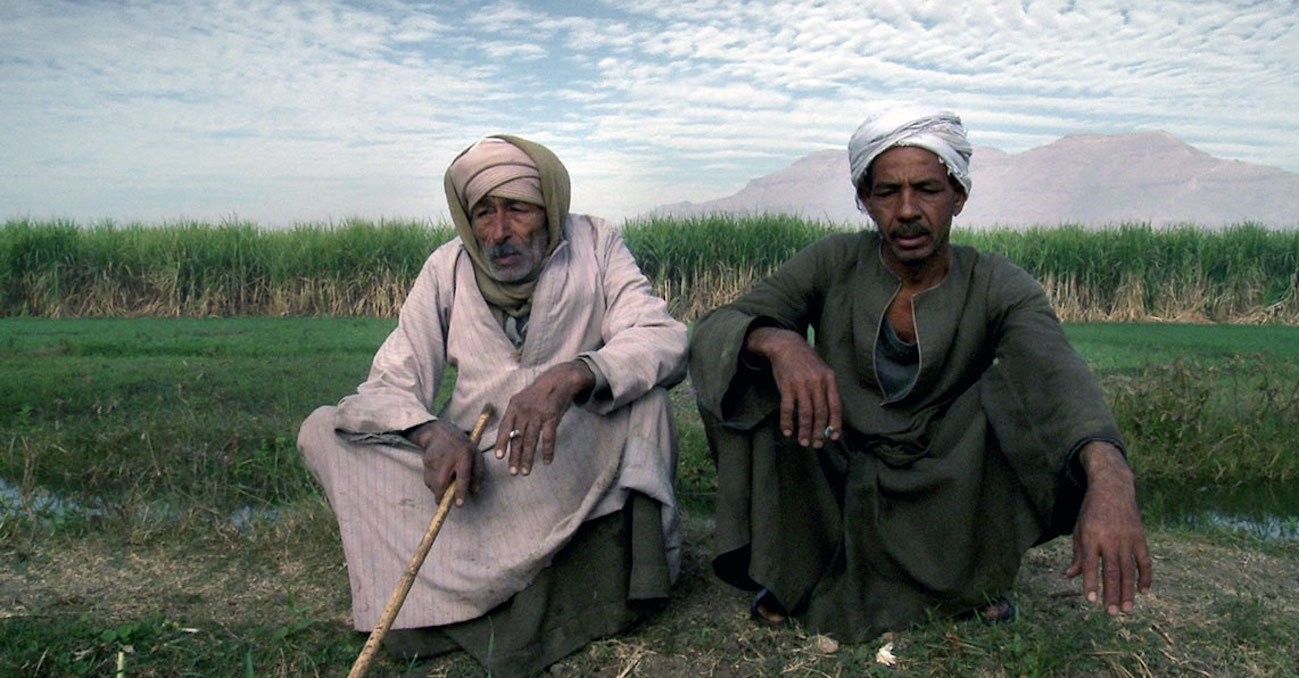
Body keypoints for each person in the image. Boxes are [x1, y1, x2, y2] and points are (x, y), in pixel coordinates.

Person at [688, 109, 1153, 642]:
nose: (907, 210)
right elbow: (715, 327)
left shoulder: (998, 283)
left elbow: (1056, 372)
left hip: (946, 478)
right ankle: (794, 568)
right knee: (746, 364)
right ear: (865, 199)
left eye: (927, 189)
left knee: (1016, 397)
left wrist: (1111, 478)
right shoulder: (833, 261)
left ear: (958, 195)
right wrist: (780, 343)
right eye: (888, 192)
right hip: (836, 461)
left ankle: (969, 580)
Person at [297, 134, 688, 675]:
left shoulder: (595, 244)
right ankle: (462, 582)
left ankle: (601, 578)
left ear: (550, 207)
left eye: (517, 210)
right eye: (483, 213)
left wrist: (574, 374)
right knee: (322, 430)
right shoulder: (446, 268)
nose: (498, 232)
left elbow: (660, 337)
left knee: (646, 403)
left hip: (562, 452)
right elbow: (388, 382)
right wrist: (431, 433)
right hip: (474, 471)